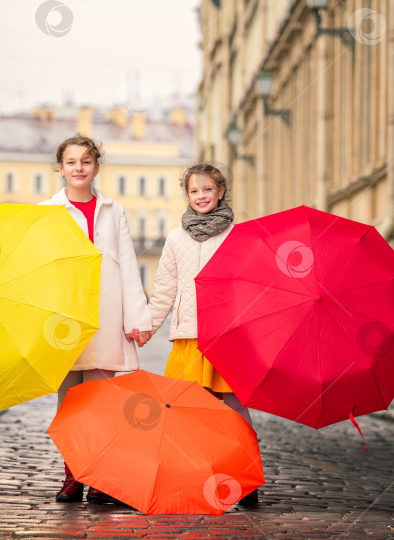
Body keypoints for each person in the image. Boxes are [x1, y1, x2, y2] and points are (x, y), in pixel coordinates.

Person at [40, 134, 152, 505]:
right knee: (70, 404)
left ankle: (101, 478)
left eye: (86, 162)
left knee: (102, 405)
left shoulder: (114, 211)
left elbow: (128, 267)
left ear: (96, 168)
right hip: (64, 321)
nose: (78, 168)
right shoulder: (48, 211)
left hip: (106, 317)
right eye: (71, 162)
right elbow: (39, 270)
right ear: (60, 168)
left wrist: (137, 318)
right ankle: (73, 476)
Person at [145, 163, 258, 506]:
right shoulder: (176, 238)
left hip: (228, 335)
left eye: (208, 189)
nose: (201, 196)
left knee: (235, 407)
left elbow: (252, 285)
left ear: (221, 192)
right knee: (185, 409)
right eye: (194, 191)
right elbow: (164, 288)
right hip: (187, 336)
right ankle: (196, 475)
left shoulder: (238, 235)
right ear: (187, 195)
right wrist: (148, 326)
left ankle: (248, 477)